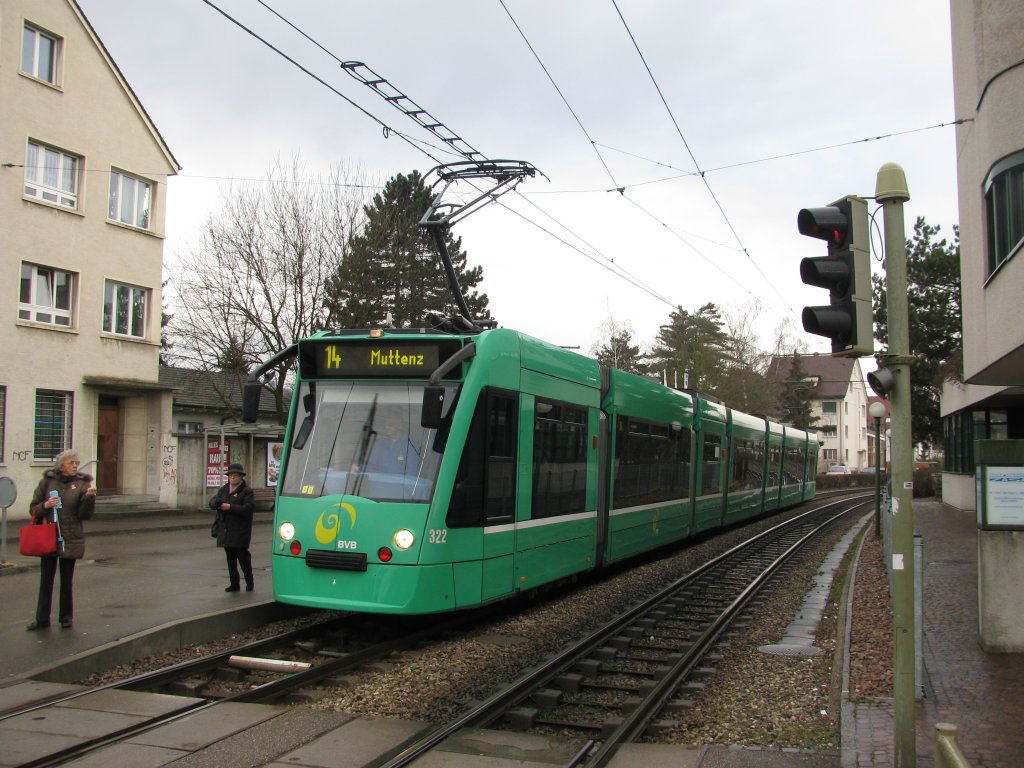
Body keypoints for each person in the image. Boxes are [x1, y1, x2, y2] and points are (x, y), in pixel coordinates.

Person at [27, 449, 96, 630]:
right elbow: (33, 509)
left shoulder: (82, 484)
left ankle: (66, 617)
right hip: (49, 536)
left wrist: (89, 499)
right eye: (71, 463)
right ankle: (42, 619)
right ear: (61, 466)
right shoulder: (47, 482)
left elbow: (84, 515)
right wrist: (45, 505)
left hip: (70, 537)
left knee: (66, 581)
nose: (75, 466)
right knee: (46, 580)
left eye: (76, 463)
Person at [209, 463, 255, 592]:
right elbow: (212, 502)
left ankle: (249, 583)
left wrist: (230, 507)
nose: (232, 477)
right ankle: (234, 584)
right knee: (230, 559)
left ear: (241, 477)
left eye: (235, 475)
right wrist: (215, 503)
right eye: (230, 475)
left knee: (243, 558)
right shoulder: (224, 489)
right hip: (226, 530)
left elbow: (248, 509)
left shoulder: (247, 491)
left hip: (240, 530)